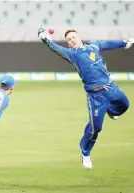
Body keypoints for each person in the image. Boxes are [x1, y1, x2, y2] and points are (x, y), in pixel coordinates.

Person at [38, 27, 133, 169]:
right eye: (69, 40)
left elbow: (107, 44)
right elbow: (56, 48)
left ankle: (111, 111)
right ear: (69, 44)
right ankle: (85, 152)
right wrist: (44, 38)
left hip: (110, 87)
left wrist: (124, 43)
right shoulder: (72, 54)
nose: (72, 40)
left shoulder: (93, 45)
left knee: (125, 105)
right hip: (95, 96)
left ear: (78, 37)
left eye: (73, 37)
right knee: (96, 128)